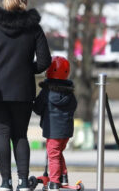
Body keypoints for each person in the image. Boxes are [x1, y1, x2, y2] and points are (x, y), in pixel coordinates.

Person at [0, 0, 52, 190]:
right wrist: (26, 69)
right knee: (20, 135)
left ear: (5, 0)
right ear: (24, 0)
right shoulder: (34, 28)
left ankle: (5, 182)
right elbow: (44, 62)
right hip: (23, 90)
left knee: (1, 134)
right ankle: (24, 182)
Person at [33, 56, 78, 191]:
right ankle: (63, 176)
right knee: (58, 153)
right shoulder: (70, 93)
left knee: (53, 155)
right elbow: (74, 107)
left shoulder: (46, 91)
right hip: (66, 131)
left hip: (53, 131)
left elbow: (37, 108)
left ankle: (54, 182)